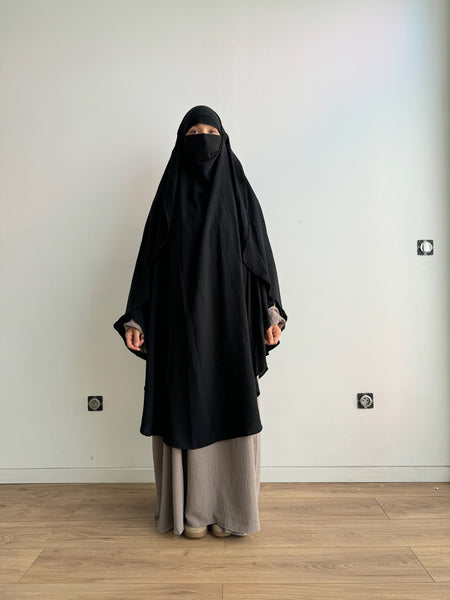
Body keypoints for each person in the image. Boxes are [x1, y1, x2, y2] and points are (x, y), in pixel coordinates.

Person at [113, 105, 288, 539]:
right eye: (194, 132)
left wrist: (271, 314)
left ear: (223, 140)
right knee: (183, 402)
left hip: (231, 323)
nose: (203, 139)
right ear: (181, 142)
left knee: (230, 402)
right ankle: (189, 510)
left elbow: (260, 263)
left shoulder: (240, 196)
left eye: (211, 131)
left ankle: (231, 509)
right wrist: (137, 319)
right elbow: (149, 265)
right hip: (179, 326)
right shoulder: (168, 198)